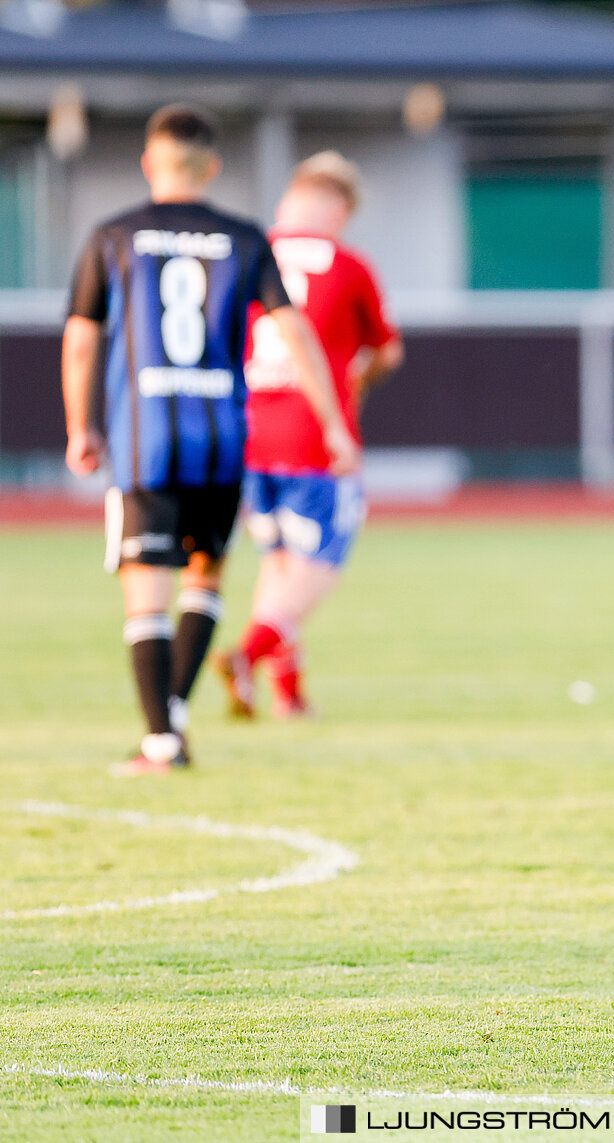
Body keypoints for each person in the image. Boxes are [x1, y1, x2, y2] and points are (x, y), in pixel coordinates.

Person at [62, 104, 357, 777]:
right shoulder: (245, 238)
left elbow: (82, 338)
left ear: (149, 163)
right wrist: (334, 420)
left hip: (146, 439)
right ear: (212, 166)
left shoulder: (113, 235)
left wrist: (81, 425)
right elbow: (296, 331)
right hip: (222, 439)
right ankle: (174, 720)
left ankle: (160, 738)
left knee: (146, 594)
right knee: (206, 580)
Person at [216, 151, 403, 719]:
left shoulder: (248, 256)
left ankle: (289, 695)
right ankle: (248, 654)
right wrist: (357, 379)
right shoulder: (348, 265)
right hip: (314, 437)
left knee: (278, 565)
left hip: (250, 435)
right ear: (341, 209)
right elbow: (387, 350)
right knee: (320, 562)